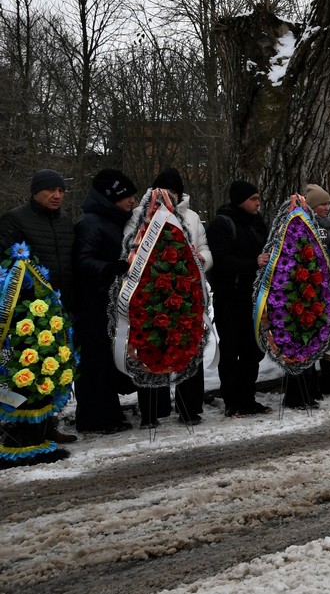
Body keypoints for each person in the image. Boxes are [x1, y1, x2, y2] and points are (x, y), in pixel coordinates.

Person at [0, 169, 78, 446]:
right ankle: (17, 427)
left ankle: (46, 425)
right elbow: (7, 265)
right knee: (23, 370)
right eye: (50, 190)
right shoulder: (15, 219)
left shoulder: (66, 223)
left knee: (51, 368)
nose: (57, 195)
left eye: (61, 190)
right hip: (27, 312)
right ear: (35, 192)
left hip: (59, 309)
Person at [72, 169, 138, 434]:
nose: (131, 201)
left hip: (110, 302)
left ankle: (109, 413)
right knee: (93, 362)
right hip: (93, 303)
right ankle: (92, 418)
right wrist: (110, 268)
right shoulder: (90, 223)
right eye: (126, 197)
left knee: (107, 359)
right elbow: (83, 259)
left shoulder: (115, 221)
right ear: (111, 197)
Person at [148, 168, 213, 425]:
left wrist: (203, 259)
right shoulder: (142, 216)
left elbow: (205, 247)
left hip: (187, 291)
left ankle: (189, 407)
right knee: (154, 346)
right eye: (165, 191)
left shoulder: (193, 217)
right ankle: (155, 408)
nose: (170, 196)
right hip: (154, 292)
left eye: (174, 191)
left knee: (189, 346)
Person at [207, 180, 271, 417]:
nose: (258, 203)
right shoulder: (222, 224)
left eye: (258, 198)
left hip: (254, 297)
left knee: (252, 349)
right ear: (240, 200)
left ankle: (248, 397)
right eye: (253, 199)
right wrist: (253, 264)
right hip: (230, 297)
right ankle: (232, 400)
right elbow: (221, 261)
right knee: (231, 349)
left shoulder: (257, 223)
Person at [286, 183, 330, 403]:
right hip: (311, 291)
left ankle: (329, 379)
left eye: (329, 203)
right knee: (313, 335)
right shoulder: (303, 226)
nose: (327, 207)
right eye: (322, 203)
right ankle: (310, 383)